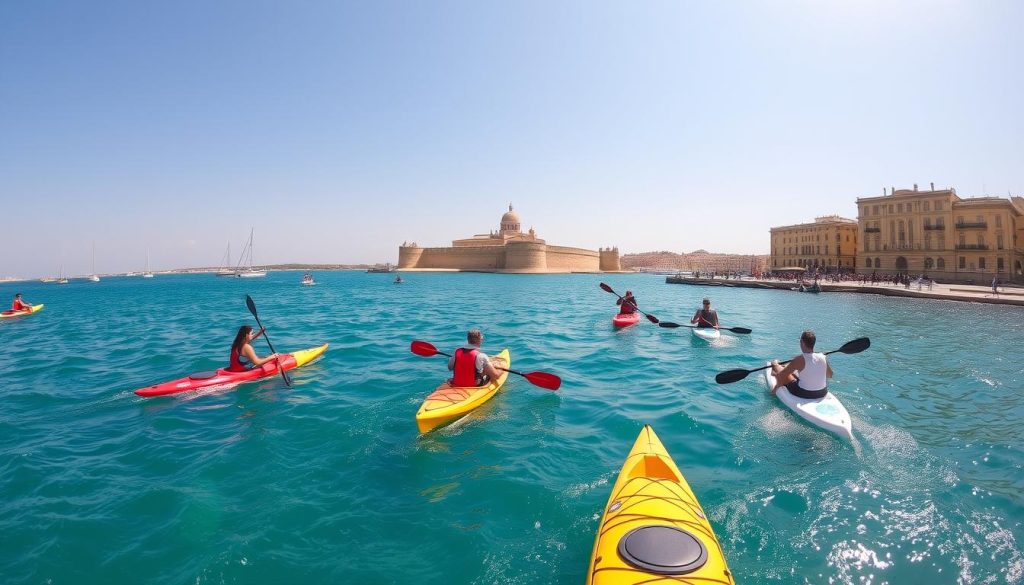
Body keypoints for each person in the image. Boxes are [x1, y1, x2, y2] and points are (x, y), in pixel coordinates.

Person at [769, 330, 833, 399]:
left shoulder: (799, 359)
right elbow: (830, 375)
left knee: (777, 367)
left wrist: (776, 387)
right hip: (822, 392)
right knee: (794, 373)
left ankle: (775, 366)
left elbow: (782, 375)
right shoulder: (822, 357)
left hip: (804, 393)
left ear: (802, 342)